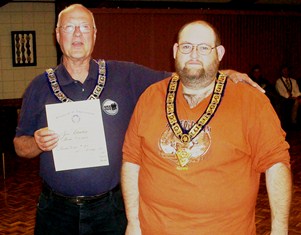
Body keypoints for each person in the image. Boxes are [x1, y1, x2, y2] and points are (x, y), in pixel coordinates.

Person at [13, 4, 262, 235]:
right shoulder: (39, 86)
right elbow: (20, 146)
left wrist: (222, 73)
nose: (77, 34)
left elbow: (178, 78)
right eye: (69, 27)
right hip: (56, 210)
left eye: (84, 27)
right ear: (58, 35)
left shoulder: (124, 74)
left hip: (111, 209)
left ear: (95, 34)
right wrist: (37, 143)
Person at [121, 20, 292, 235]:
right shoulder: (150, 97)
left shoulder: (251, 101)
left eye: (204, 48)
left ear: (219, 53)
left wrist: (280, 229)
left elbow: (276, 164)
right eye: (186, 47)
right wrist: (133, 222)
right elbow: (132, 160)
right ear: (175, 51)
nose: (194, 54)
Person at [275, 65, 301, 130]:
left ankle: (295, 122)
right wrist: (293, 97)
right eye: (284, 71)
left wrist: (294, 96)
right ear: (281, 72)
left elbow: (297, 92)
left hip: (294, 99)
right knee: (296, 102)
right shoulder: (278, 82)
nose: (286, 72)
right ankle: (293, 122)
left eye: (287, 70)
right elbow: (283, 94)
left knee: (297, 101)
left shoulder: (293, 81)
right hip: (284, 100)